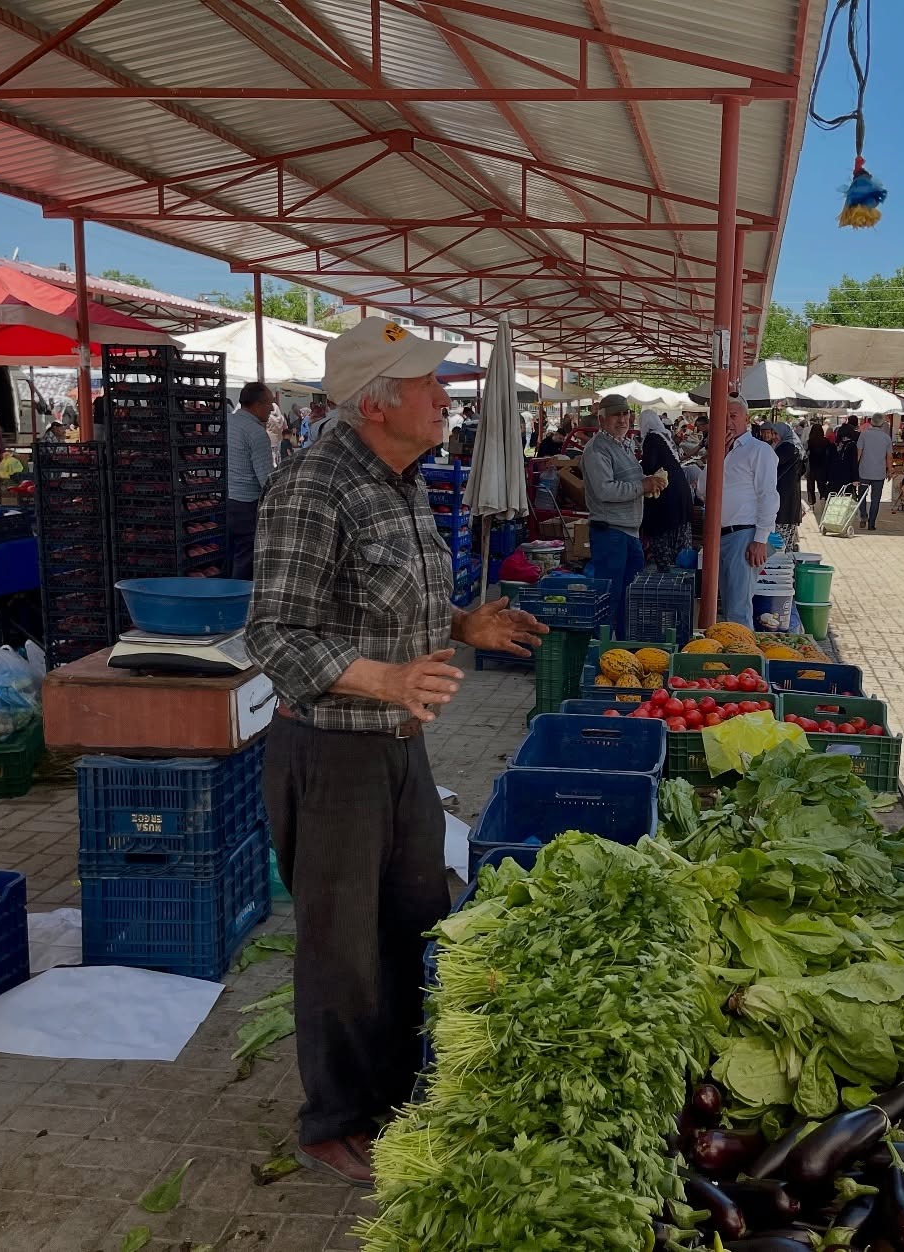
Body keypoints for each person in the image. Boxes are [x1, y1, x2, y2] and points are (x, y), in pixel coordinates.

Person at [246, 315, 547, 1187]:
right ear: (375, 403)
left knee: (412, 921)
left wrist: (462, 625)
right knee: (340, 950)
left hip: (398, 748)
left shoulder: (402, 480)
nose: (443, 396)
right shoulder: (313, 485)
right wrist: (385, 679)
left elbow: (383, 598)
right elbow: (273, 632)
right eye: (427, 384)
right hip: (331, 754)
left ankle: (394, 1091)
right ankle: (333, 1121)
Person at [582, 394, 663, 633]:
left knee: (629, 597)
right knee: (610, 599)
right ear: (601, 419)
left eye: (625, 414)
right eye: (615, 415)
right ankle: (604, 648)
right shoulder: (597, 449)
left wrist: (648, 483)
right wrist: (642, 486)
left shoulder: (622, 444)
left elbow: (628, 480)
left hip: (628, 532)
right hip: (610, 533)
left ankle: (622, 644)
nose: (622, 420)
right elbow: (604, 490)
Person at [716, 399, 778, 628]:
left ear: (746, 419)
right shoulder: (722, 450)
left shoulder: (759, 450)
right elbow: (703, 488)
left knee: (738, 609)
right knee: (728, 606)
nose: (727, 422)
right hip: (721, 535)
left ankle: (743, 649)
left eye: (733, 416)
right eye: (723, 416)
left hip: (743, 534)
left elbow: (768, 495)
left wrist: (760, 539)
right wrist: (718, 456)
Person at [228, 381, 276, 581]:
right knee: (245, 557)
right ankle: (238, 597)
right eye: (270, 403)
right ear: (257, 404)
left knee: (226, 556)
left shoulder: (226, 423)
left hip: (222, 499)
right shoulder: (256, 433)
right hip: (245, 504)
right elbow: (266, 479)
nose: (272, 408)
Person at [638, 409, 694, 569]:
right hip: (680, 497)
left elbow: (649, 466)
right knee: (681, 553)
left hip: (666, 500)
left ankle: (669, 578)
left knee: (665, 551)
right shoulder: (664, 437)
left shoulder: (652, 438)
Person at [759, 421, 805, 552]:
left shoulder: (786, 448)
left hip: (784, 499)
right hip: (788, 498)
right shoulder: (792, 447)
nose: (774, 437)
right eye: (772, 433)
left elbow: (770, 465)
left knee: (780, 542)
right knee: (786, 541)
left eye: (776, 433)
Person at [855, 413, 895, 531]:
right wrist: (890, 471)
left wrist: (854, 469)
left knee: (862, 495)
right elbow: (889, 457)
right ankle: (871, 523)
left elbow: (858, 454)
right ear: (882, 423)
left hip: (864, 471)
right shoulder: (886, 438)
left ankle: (863, 515)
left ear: (871, 422)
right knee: (876, 499)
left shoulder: (863, 435)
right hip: (879, 473)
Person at [805, 421, 831, 504]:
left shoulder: (809, 442)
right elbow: (829, 454)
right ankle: (823, 498)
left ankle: (811, 502)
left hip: (812, 466)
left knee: (810, 486)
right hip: (823, 466)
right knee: (822, 484)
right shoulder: (826, 441)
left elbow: (805, 454)